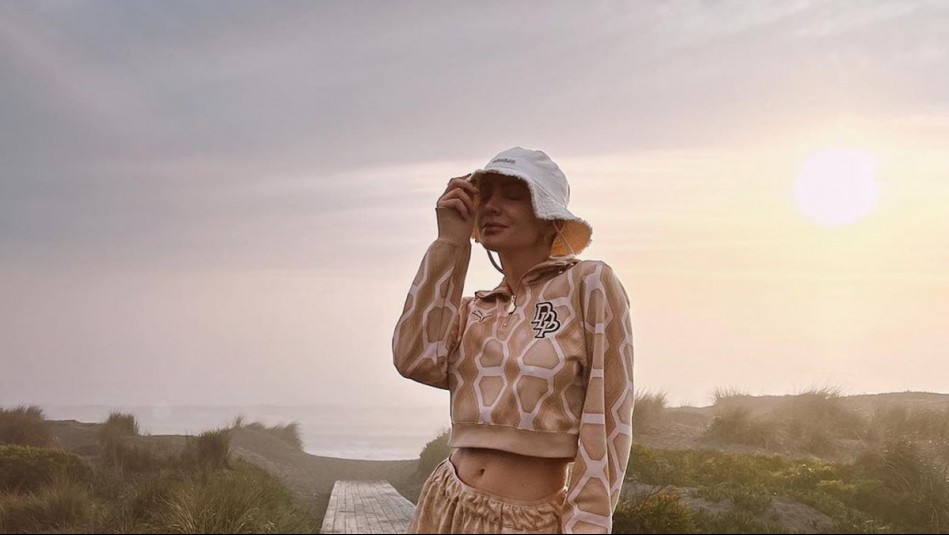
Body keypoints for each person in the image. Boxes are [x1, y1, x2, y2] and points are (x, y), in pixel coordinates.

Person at [392, 147, 634, 534]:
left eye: (513, 195)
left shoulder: (589, 284)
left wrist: (587, 525)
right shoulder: (476, 309)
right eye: (485, 195)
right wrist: (450, 243)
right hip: (445, 504)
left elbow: (609, 418)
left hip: (528, 522)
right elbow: (414, 359)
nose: (491, 206)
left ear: (547, 216)